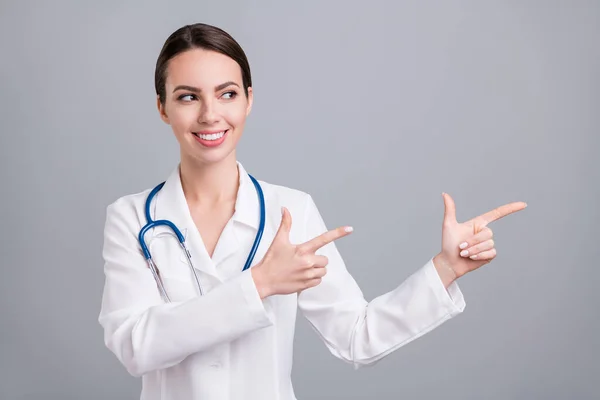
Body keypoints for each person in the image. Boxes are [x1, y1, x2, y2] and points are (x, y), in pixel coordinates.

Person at [98, 22, 527, 400]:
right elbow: (135, 346)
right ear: (162, 107)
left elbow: (357, 337)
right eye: (188, 96)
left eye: (227, 94)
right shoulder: (132, 218)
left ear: (248, 100)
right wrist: (259, 285)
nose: (211, 114)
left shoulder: (292, 211)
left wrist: (445, 269)